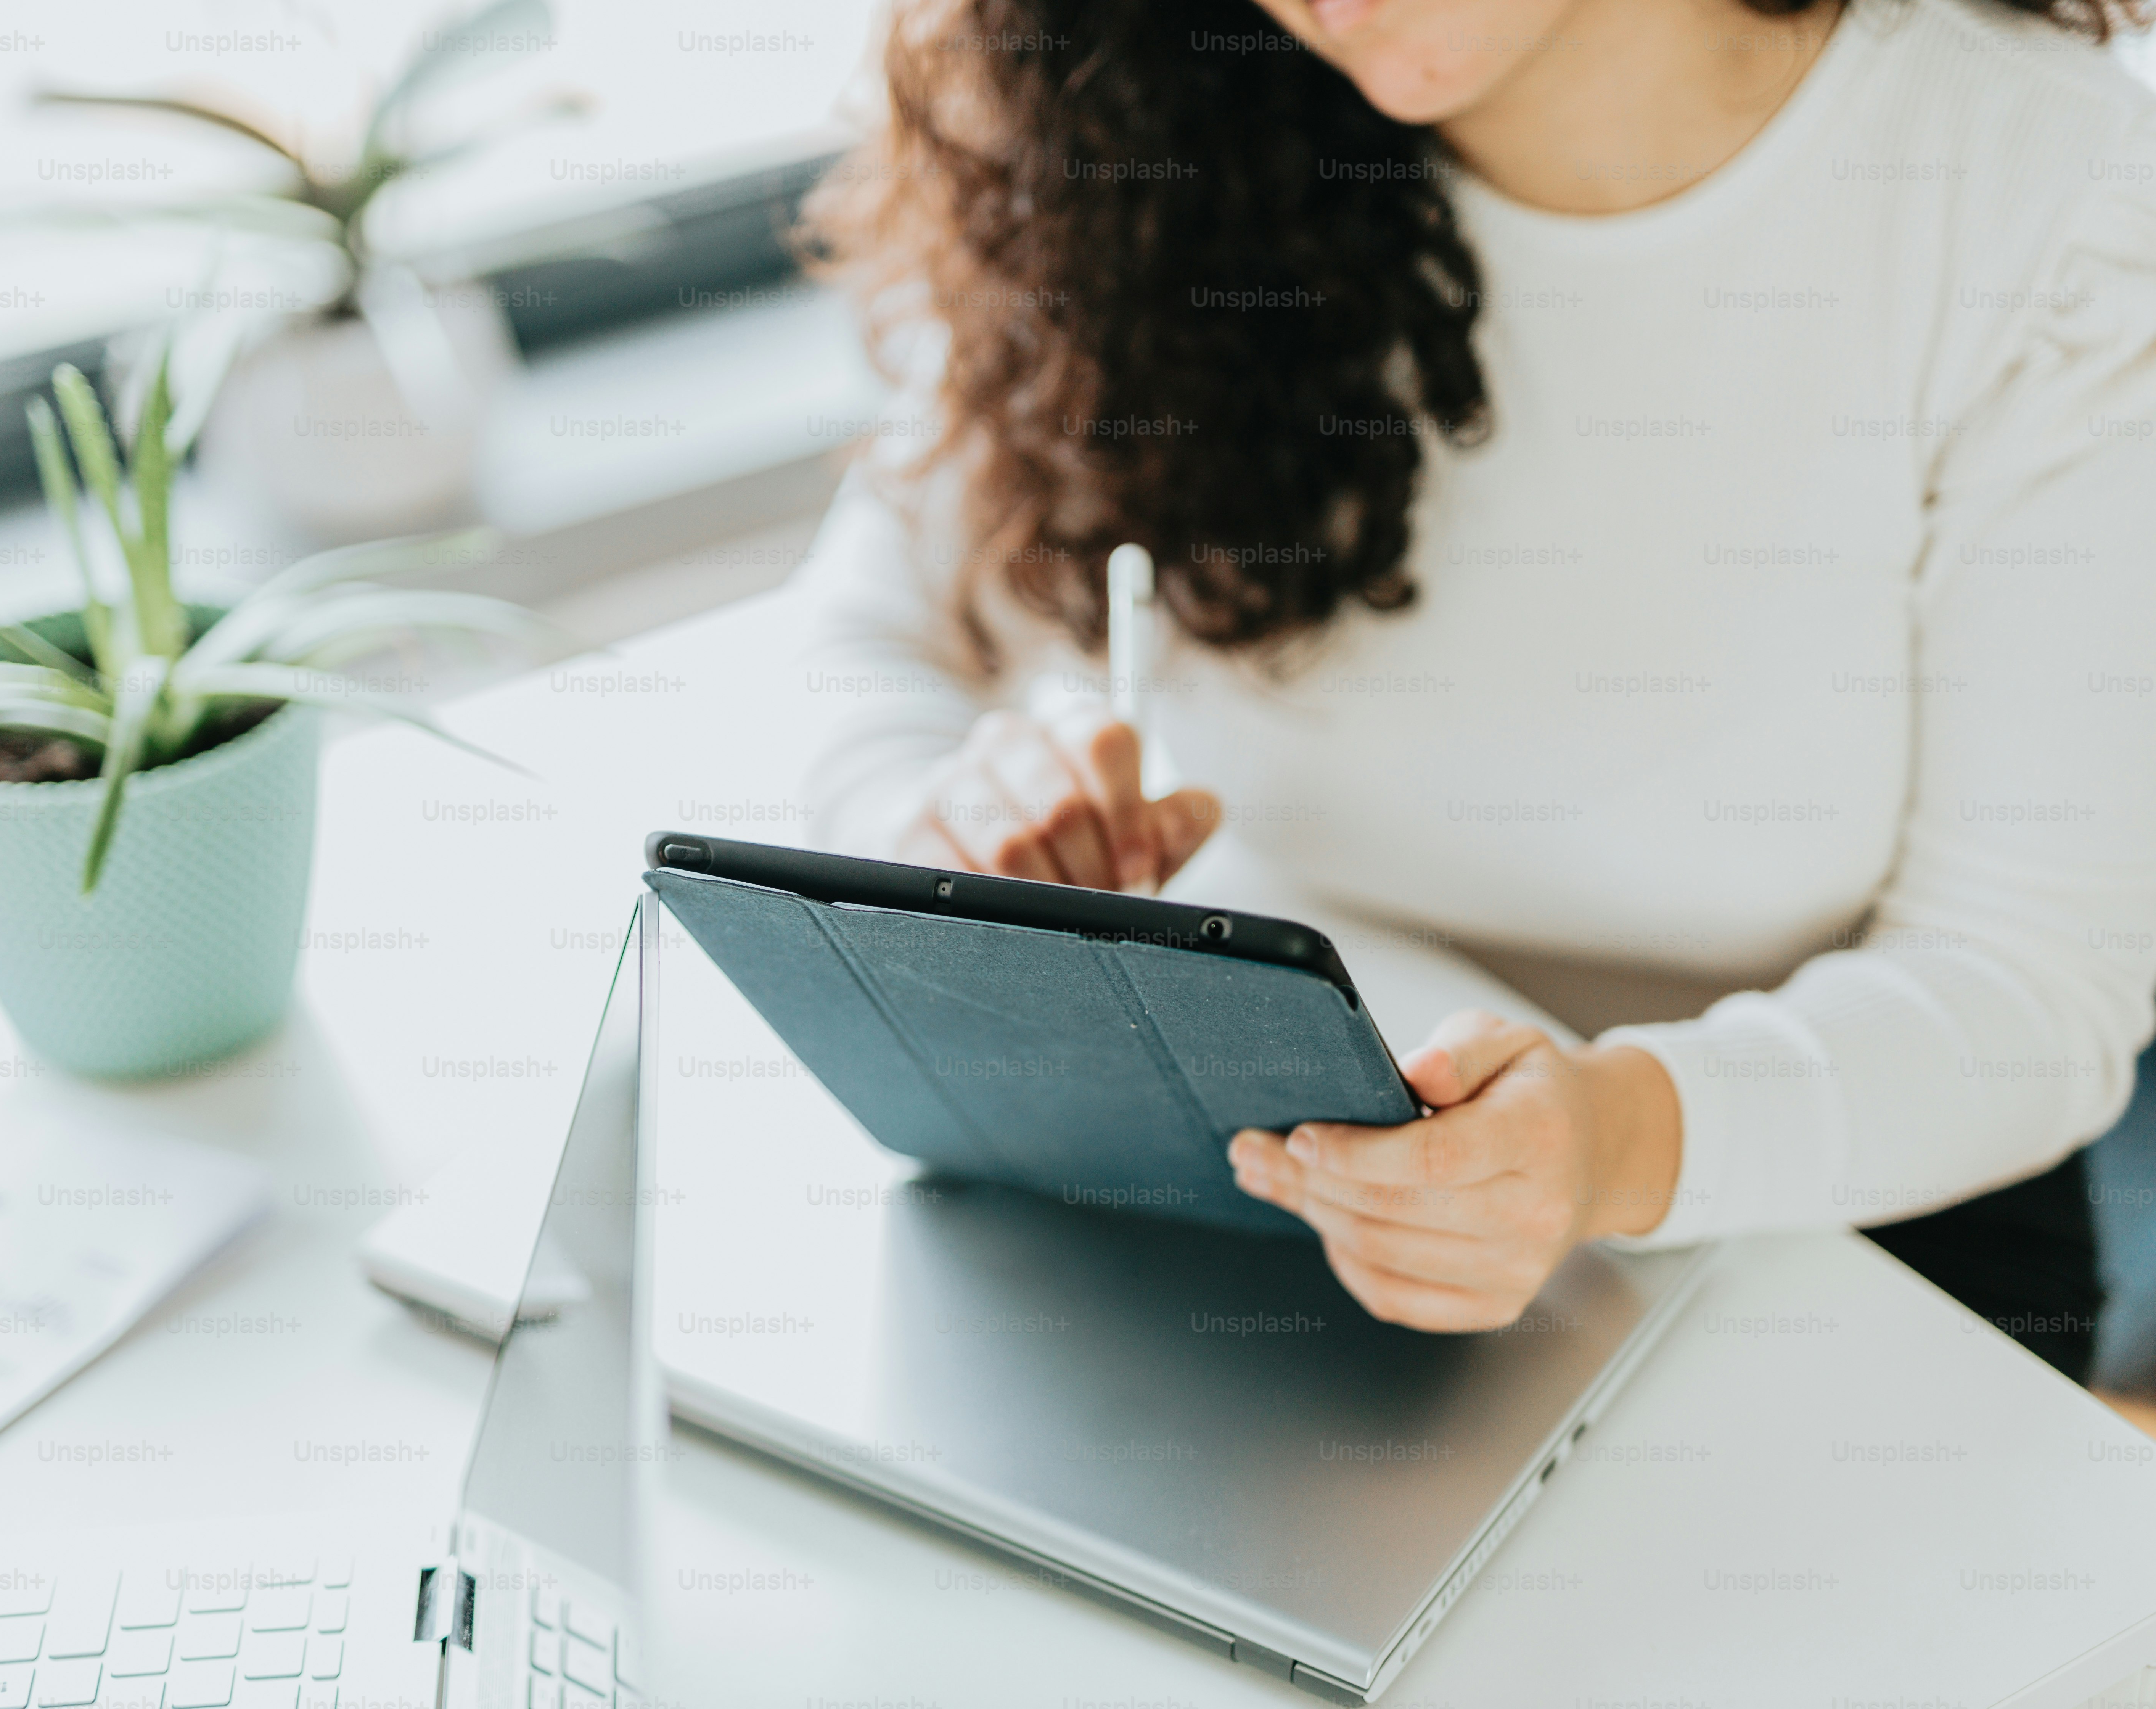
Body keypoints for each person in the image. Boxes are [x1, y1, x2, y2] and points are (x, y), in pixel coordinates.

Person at [791, 0, 2156, 1383]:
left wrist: (1608, 1142)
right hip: (1227, 1212)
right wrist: (944, 832)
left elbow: (2032, 987)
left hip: (1817, 1229)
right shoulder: (1131, 111)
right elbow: (870, 633)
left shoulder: (2050, 209)